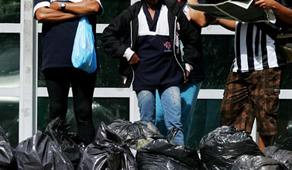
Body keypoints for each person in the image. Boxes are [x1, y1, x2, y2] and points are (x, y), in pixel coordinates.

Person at [102, 0, 198, 144]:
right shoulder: (133, 12)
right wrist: (127, 53)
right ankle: (146, 160)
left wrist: (188, 65)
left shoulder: (172, 10)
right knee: (147, 124)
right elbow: (108, 35)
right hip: (142, 76)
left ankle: (179, 160)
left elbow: (191, 37)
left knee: (175, 124)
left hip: (170, 75)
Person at [210, 0, 292, 150]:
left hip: (267, 65)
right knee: (230, 118)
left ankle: (263, 161)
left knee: (265, 121)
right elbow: (238, 25)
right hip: (239, 67)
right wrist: (216, 18)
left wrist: (274, 5)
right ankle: (238, 159)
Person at [34, 0, 103, 144]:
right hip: (55, 59)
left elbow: (94, 7)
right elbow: (41, 14)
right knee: (56, 112)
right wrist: (80, 12)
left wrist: (61, 6)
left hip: (85, 60)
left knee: (84, 113)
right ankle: (55, 160)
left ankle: (86, 161)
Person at [155, 0, 208, 147]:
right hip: (162, 70)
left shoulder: (195, 1)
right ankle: (156, 157)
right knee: (158, 117)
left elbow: (202, 20)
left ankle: (178, 159)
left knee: (182, 122)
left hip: (191, 72)